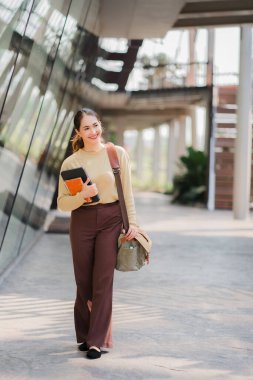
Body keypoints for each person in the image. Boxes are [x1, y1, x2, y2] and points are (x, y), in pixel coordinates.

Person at [57, 108, 139, 359]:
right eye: (86, 128)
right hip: (81, 219)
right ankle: (84, 334)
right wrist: (82, 195)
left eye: (95, 125)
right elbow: (62, 202)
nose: (93, 132)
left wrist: (132, 223)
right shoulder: (71, 163)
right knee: (83, 281)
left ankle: (96, 341)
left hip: (111, 219)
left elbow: (127, 191)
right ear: (78, 133)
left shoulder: (117, 154)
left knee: (103, 279)